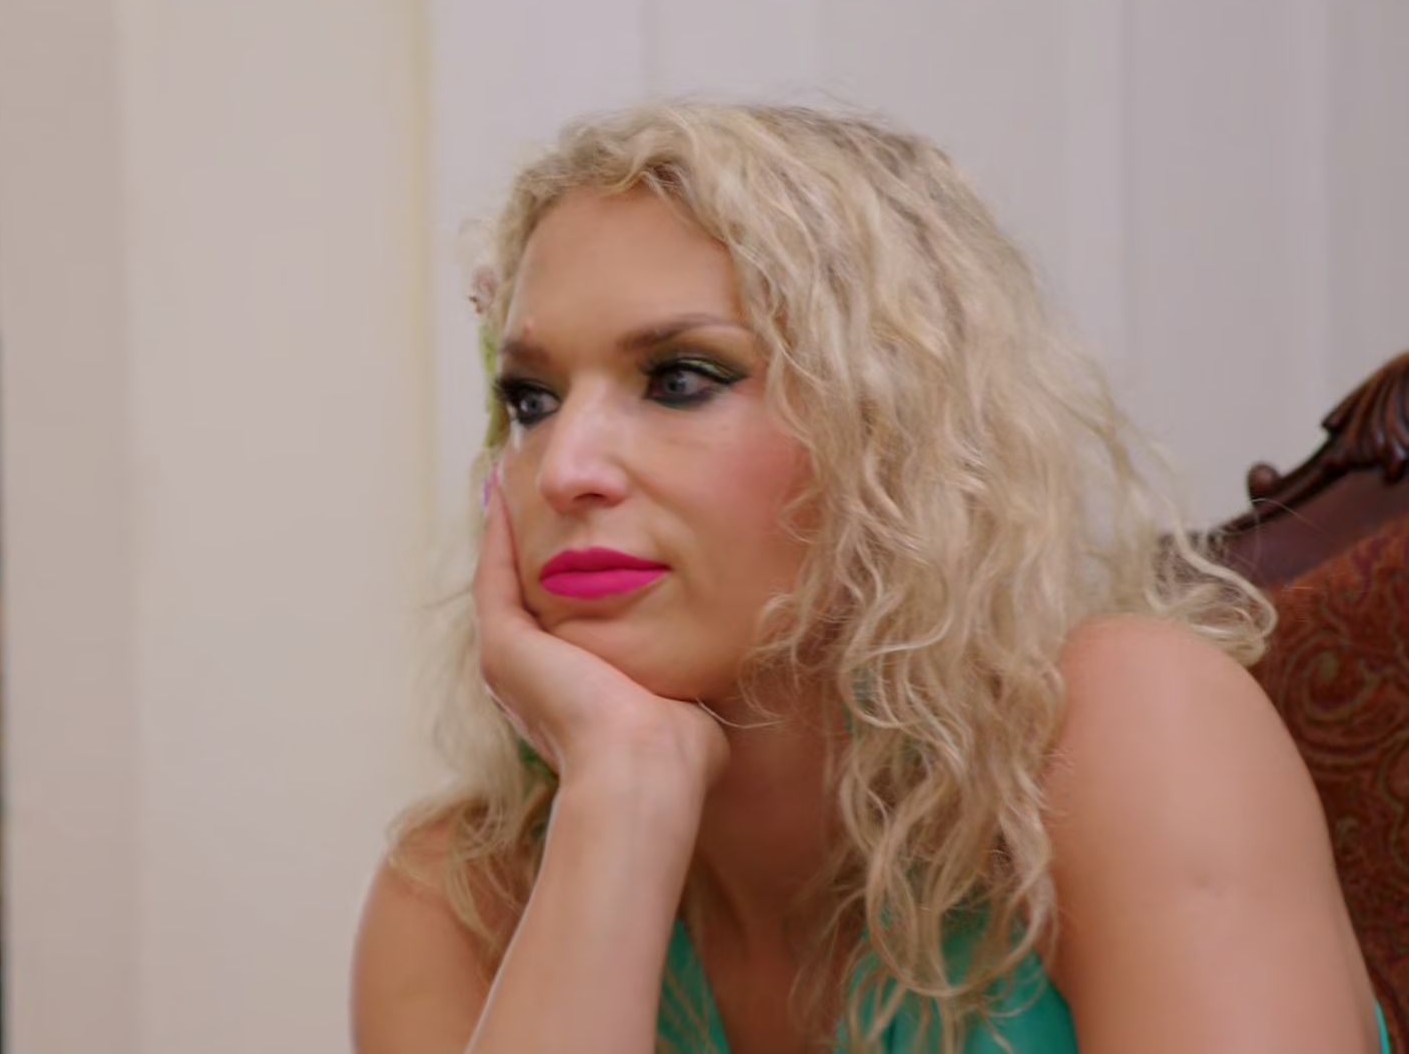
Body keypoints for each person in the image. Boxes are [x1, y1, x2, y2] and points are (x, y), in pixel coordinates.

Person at [350, 102, 1388, 1054]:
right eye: (531, 401)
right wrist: (623, 794)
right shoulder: (460, 897)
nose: (562, 470)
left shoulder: (1130, 730)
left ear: (893, 437)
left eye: (679, 380)